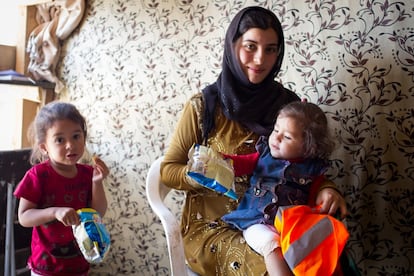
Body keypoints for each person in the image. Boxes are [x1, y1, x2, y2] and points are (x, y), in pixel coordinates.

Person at [160, 6, 347, 275]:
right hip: (215, 226)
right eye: (250, 46)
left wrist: (326, 189)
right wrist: (205, 173)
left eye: (270, 49)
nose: (260, 60)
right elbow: (168, 170)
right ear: (233, 45)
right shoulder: (204, 107)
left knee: (322, 255)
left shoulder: (288, 107)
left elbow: (306, 160)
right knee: (276, 266)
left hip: (280, 218)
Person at [222, 101, 338, 275]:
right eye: (276, 130)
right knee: (272, 246)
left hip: (291, 227)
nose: (276, 138)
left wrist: (327, 193)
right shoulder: (264, 156)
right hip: (256, 222)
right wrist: (219, 161)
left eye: (287, 137)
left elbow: (317, 200)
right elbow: (237, 165)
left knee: (318, 251)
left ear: (308, 146)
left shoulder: (312, 169)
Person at [14, 101, 109, 276]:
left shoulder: (88, 173)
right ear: (44, 147)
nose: (70, 145)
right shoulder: (37, 175)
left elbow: (98, 213)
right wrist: (54, 212)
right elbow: (24, 218)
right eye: (59, 139)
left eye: (76, 136)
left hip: (80, 262)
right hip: (46, 266)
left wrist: (97, 182)